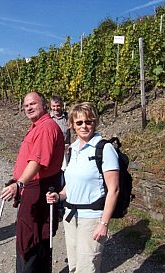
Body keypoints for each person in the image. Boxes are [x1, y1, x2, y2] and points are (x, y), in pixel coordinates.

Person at [46, 102, 120, 273]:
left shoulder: (104, 148)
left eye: (89, 121)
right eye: (79, 123)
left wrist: (104, 223)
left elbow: (114, 190)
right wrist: (58, 196)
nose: (84, 126)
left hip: (92, 219)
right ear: (72, 124)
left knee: (87, 268)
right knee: (73, 267)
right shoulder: (71, 150)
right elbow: (68, 187)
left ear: (95, 122)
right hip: (70, 218)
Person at [0, 91, 64, 273]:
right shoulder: (37, 126)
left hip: (38, 191)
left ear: (43, 105)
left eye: (33, 104)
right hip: (34, 189)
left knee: (31, 240)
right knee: (35, 238)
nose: (28, 107)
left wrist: (19, 183)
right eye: (26, 105)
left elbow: (37, 162)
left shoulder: (45, 128)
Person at [49, 95, 71, 219]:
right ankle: (53, 201)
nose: (56, 108)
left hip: (65, 152)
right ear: (51, 106)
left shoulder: (67, 118)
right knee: (53, 176)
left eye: (58, 106)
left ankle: (61, 204)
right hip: (52, 152)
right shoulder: (48, 118)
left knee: (64, 177)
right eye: (54, 106)